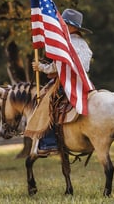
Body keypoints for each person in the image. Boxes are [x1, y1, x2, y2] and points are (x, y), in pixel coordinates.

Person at [32, 8, 93, 155]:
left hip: (66, 83)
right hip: (84, 83)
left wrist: (41, 67)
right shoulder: (83, 43)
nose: (61, 26)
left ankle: (49, 142)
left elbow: (59, 65)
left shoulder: (65, 43)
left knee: (47, 103)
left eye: (64, 24)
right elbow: (84, 66)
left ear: (71, 27)